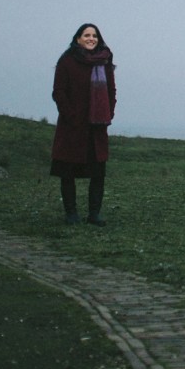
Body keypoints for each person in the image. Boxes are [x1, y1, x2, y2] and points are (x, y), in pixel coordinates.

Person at [51, 23, 116, 226]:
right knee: (68, 172)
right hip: (72, 127)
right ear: (78, 38)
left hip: (97, 128)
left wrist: (108, 113)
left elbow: (111, 92)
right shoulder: (67, 61)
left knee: (98, 173)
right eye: (86, 35)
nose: (91, 38)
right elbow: (58, 92)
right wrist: (71, 116)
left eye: (94, 35)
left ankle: (94, 214)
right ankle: (71, 214)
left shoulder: (104, 61)